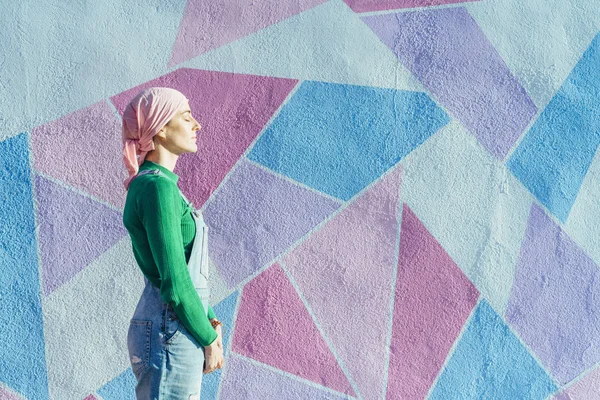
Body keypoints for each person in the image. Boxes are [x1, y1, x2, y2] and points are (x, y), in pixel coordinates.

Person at [121, 87, 224, 399]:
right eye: (187, 117)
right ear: (161, 127)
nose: (197, 125)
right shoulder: (156, 188)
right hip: (170, 331)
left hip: (177, 327)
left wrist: (211, 321)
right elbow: (175, 283)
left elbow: (186, 276)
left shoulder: (162, 186)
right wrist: (208, 337)